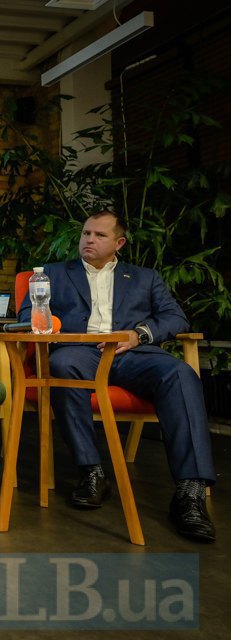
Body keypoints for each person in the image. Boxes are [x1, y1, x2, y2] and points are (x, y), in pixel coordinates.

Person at [18, 210, 216, 542]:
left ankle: (189, 492)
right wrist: (48, 322)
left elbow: (175, 318)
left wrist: (139, 333)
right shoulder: (52, 274)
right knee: (63, 365)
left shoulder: (143, 277)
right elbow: (28, 316)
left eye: (99, 235)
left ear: (118, 243)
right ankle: (91, 472)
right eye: (85, 234)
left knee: (180, 374)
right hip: (80, 352)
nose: (89, 240)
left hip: (133, 353)